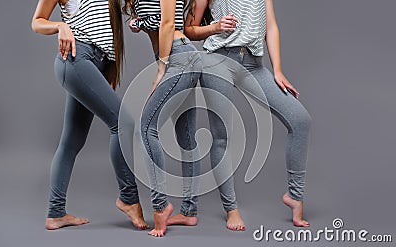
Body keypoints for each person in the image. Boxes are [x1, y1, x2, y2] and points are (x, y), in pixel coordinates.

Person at [185, 0, 312, 227]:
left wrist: (278, 69)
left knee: (300, 120)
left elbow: (271, 27)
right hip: (217, 60)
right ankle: (231, 209)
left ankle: (295, 197)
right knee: (222, 137)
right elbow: (190, 29)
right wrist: (214, 27)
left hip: (253, 65)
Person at [31, 0, 149, 230]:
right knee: (123, 123)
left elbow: (107, 27)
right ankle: (129, 198)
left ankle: (55, 213)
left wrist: (110, 68)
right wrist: (60, 27)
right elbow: (37, 22)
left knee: (71, 141)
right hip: (77, 59)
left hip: (97, 64)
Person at [124, 0, 203, 237]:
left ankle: (160, 207)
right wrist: (137, 22)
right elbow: (156, 20)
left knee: (146, 129)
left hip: (177, 58)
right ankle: (189, 211)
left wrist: (162, 67)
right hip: (179, 56)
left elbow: (167, 22)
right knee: (187, 138)